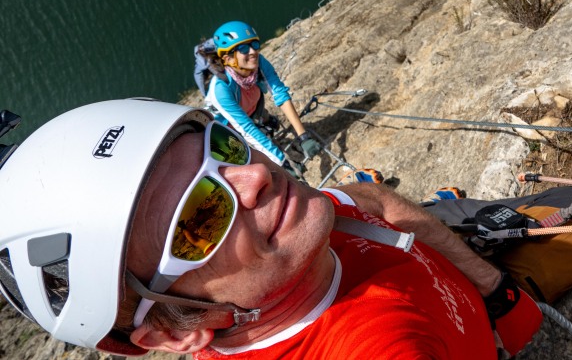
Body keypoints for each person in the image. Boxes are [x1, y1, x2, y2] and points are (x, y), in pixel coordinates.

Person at [0, 99, 541, 359]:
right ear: (173, 332)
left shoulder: (297, 233)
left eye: (224, 149)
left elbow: (371, 199)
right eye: (202, 216)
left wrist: (494, 289)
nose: (256, 176)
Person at [206, 20, 321, 173]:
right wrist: (283, 162)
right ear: (228, 59)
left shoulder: (258, 62)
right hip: (228, 131)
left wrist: (304, 136)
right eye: (243, 48)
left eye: (254, 44)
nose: (252, 52)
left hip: (252, 111)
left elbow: (279, 93)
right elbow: (246, 128)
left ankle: (265, 126)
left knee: (271, 126)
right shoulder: (220, 89)